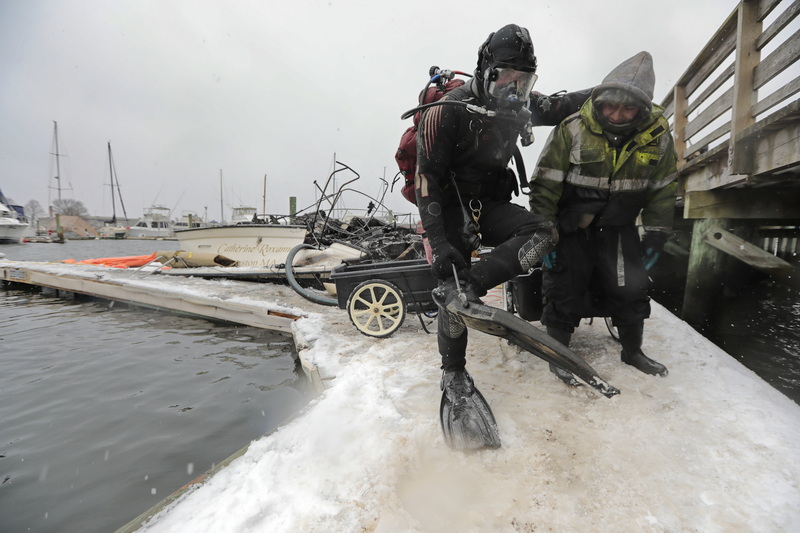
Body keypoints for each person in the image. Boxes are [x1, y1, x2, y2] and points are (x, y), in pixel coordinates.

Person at [414, 23, 591, 450]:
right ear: (485, 70)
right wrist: (439, 245)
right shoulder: (447, 112)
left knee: (544, 233)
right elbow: (427, 185)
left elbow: (564, 104)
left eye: (523, 81)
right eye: (505, 78)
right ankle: (453, 373)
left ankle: (472, 286)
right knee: (449, 289)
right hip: (449, 207)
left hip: (488, 206)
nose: (514, 89)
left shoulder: (521, 105)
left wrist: (614, 91)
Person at [529, 51, 678, 385]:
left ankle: (633, 351)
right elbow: (545, 184)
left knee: (631, 290)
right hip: (570, 229)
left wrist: (656, 234)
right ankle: (559, 355)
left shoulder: (658, 138)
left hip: (619, 229)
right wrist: (543, 231)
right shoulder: (572, 129)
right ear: (599, 101)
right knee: (564, 288)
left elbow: (663, 188)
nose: (617, 114)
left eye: (628, 108)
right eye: (610, 106)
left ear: (642, 109)